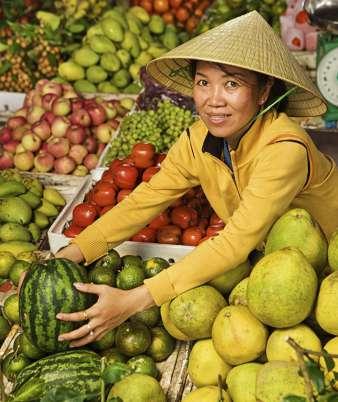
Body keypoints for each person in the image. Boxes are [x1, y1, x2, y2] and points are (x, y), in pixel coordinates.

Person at [54, 11, 338, 347]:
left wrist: (135, 300)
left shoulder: (284, 149)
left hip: (323, 277)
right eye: (203, 82)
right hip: (269, 269)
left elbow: (235, 241)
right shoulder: (198, 139)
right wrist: (69, 255)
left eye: (232, 84)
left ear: (263, 93)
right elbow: (145, 200)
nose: (213, 100)